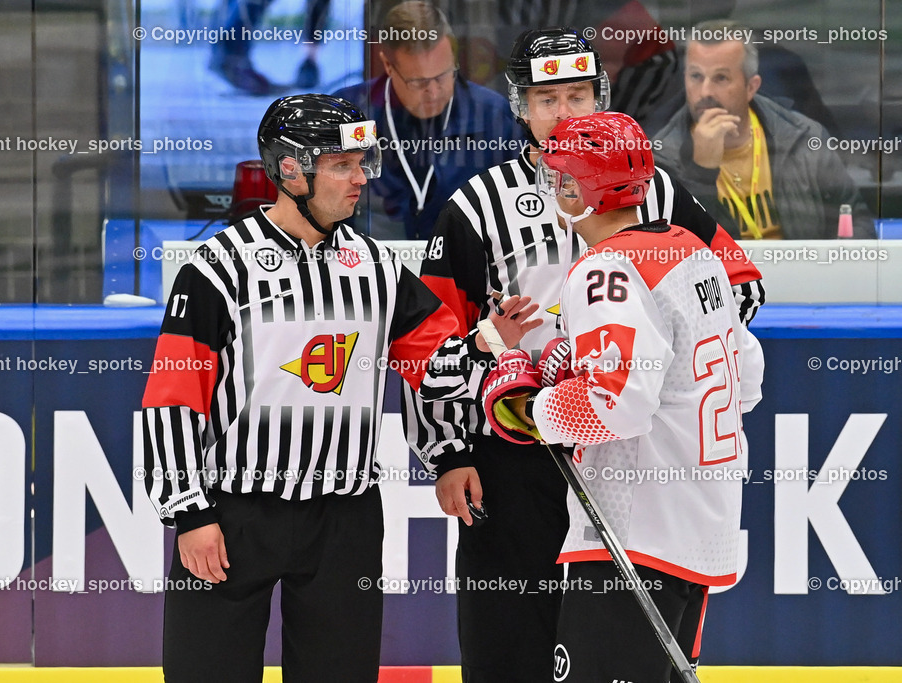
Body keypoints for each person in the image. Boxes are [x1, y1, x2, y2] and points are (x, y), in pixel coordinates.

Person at [401, 27, 765, 682]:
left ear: (600, 97)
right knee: (510, 646)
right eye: (547, 100)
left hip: (624, 451)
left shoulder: (653, 188)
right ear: (522, 107)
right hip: (514, 459)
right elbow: (429, 347)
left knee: (605, 646)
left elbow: (739, 288)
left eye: (577, 96)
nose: (564, 112)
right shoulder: (475, 208)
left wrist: (652, 360)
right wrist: (449, 452)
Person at [141, 93, 539, 682]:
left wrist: (484, 346)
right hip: (234, 512)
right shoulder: (218, 269)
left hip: (344, 519)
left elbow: (432, 371)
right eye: (343, 165)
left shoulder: (379, 268)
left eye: (363, 163)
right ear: (290, 169)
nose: (361, 179)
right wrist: (189, 512)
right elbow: (173, 400)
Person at [483, 111, 764, 682]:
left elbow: (617, 405)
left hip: (634, 536)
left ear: (580, 189)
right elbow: (749, 376)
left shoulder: (605, 269)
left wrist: (529, 403)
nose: (551, 187)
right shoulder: (692, 249)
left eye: (559, 176)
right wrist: (581, 366)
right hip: (700, 530)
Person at [653, 19, 875, 240]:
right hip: (724, 265)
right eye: (695, 76)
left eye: (721, 78)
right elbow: (674, 249)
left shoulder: (803, 137)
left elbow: (856, 218)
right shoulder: (662, 158)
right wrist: (700, 174)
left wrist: (836, 260)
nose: (705, 92)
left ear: (751, 87)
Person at [333, 1, 525, 240]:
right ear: (388, 66)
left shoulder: (494, 116)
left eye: (444, 76)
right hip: (369, 258)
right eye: (419, 82)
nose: (433, 92)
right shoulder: (348, 115)